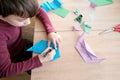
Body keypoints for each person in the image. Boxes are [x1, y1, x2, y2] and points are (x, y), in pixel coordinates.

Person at [0, 0, 62, 78]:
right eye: (21, 20)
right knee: (44, 73)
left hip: (20, 44)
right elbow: (4, 70)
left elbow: (39, 10)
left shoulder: (15, 10)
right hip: (14, 57)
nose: (29, 22)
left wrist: (51, 31)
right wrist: (39, 59)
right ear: (1, 15)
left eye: (29, 17)